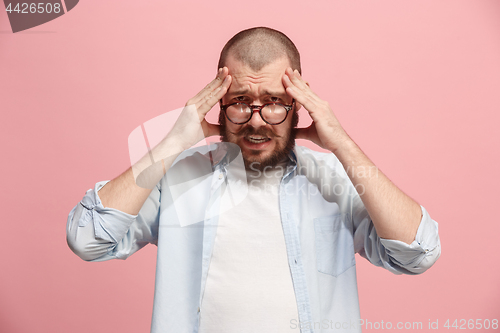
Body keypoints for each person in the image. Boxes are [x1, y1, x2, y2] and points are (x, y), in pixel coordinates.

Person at [67, 27, 441, 333]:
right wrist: (171, 144)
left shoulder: (337, 180)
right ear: (219, 102)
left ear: (300, 102)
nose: (257, 120)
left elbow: (418, 252)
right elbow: (87, 239)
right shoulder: (176, 178)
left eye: (275, 101)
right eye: (241, 101)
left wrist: (342, 143)